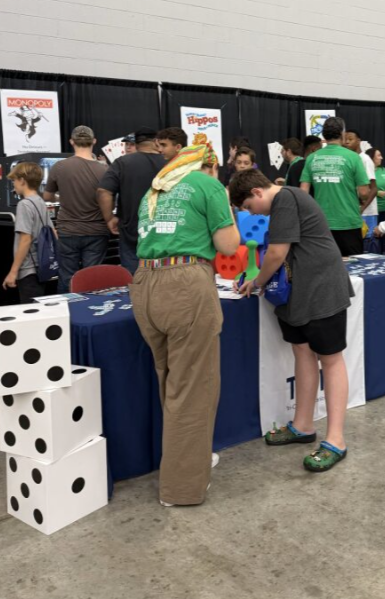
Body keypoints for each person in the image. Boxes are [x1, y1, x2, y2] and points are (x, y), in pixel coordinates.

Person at [130, 142, 240, 506]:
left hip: (145, 283)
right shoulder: (208, 186)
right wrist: (223, 201)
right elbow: (228, 245)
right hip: (185, 285)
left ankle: (186, 458)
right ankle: (182, 488)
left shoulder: (155, 188)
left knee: (171, 381)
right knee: (193, 388)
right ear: (209, 166)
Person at [230, 169, 353, 472]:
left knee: (331, 359)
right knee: (301, 352)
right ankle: (303, 425)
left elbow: (276, 252)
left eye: (247, 206)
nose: (250, 213)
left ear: (257, 192)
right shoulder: (287, 199)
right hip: (297, 294)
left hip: (321, 291)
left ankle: (336, 439)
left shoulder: (285, 198)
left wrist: (257, 281)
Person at [44, 126, 109, 293]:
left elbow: (47, 197)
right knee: (93, 277)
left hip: (68, 230)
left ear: (71, 142)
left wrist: (61, 196)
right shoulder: (104, 169)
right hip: (96, 231)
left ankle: (67, 314)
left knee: (67, 276)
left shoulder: (59, 167)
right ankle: (92, 313)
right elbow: (109, 199)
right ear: (94, 141)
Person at [97, 127, 166, 274]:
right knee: (165, 281)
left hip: (132, 231)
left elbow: (104, 191)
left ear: (137, 143)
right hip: (165, 232)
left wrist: (109, 218)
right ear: (156, 142)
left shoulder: (122, 163)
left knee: (134, 282)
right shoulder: (170, 163)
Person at [300, 117, 370, 256]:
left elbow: (303, 192)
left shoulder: (311, 158)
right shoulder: (354, 157)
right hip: (349, 221)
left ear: (324, 135)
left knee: (324, 267)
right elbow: (364, 192)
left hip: (321, 223)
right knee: (354, 270)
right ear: (342, 134)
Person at [3, 162, 57, 303]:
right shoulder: (40, 201)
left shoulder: (24, 205)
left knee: (30, 313)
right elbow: (53, 233)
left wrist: (13, 272)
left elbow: (25, 239)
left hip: (29, 270)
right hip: (42, 268)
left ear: (22, 180)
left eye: (14, 180)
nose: (13, 184)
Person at [343, 130, 379, 235]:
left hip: (367, 212)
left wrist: (362, 208)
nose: (347, 142)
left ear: (358, 141)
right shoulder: (349, 158)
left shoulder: (365, 159)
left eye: (350, 139)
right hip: (353, 211)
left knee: (367, 243)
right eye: (345, 139)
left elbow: (374, 188)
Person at [366, 147, 385, 225]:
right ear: (371, 157)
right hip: (372, 210)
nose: (381, 158)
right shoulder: (366, 171)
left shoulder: (383, 170)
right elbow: (362, 189)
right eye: (379, 155)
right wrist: (377, 193)